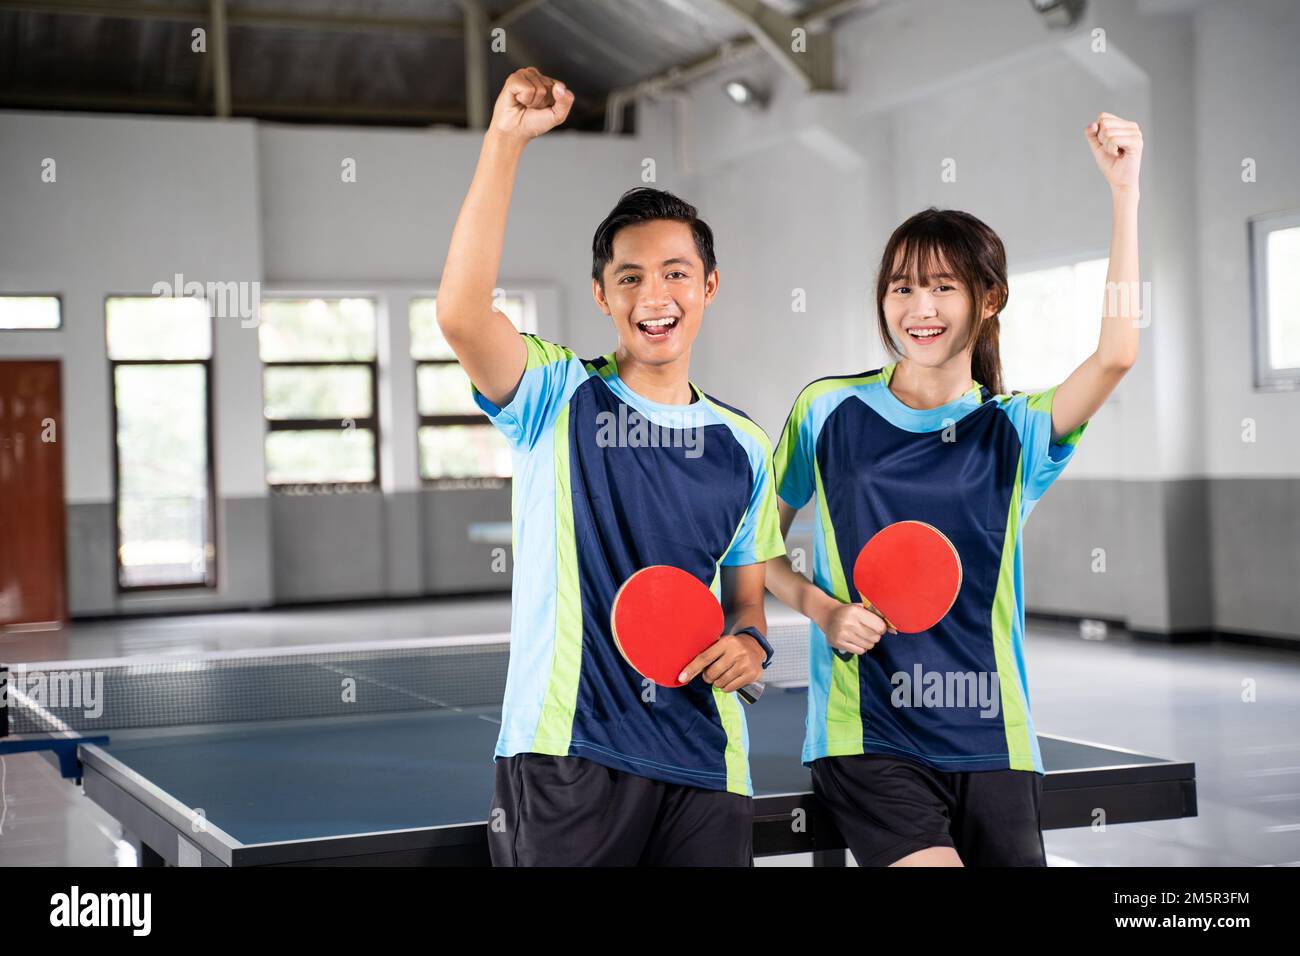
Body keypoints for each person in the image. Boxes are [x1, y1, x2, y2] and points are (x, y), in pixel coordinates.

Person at [765, 113, 1144, 866]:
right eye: (902, 288)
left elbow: (1117, 354)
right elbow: (758, 546)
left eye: (943, 286)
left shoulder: (1016, 431)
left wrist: (1125, 193)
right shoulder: (827, 409)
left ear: (989, 299)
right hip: (868, 733)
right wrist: (824, 610)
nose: (920, 308)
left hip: (992, 735)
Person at [436, 67, 785, 866]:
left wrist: (752, 646)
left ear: (709, 287)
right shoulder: (555, 396)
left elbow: (747, 607)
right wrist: (505, 142)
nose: (654, 294)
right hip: (569, 754)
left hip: (704, 762)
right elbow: (460, 312)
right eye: (630, 276)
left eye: (676, 273)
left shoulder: (743, 443)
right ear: (602, 294)